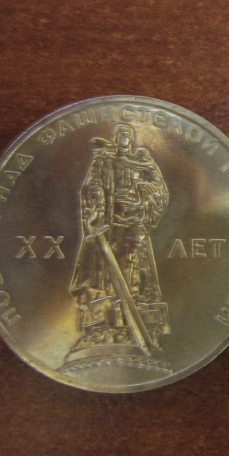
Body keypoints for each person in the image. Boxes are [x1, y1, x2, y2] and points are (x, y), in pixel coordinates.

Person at [64, 124, 171, 365]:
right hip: (110, 222)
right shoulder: (105, 161)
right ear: (115, 139)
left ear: (131, 140)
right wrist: (97, 210)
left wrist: (143, 200)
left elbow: (159, 190)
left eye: (126, 136)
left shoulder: (142, 162)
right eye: (119, 135)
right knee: (104, 271)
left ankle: (136, 314)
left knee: (134, 266)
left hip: (135, 220)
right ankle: (105, 324)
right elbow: (91, 186)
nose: (123, 139)